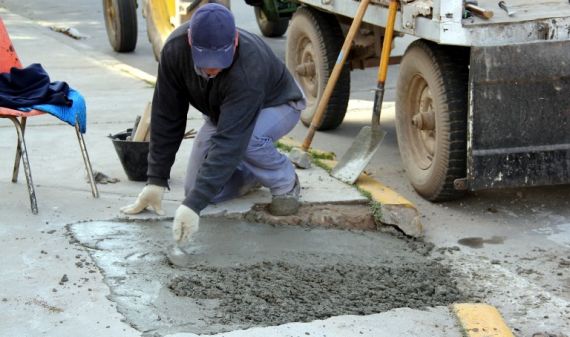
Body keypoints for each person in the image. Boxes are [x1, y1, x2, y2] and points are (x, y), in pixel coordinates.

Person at [120, 3, 306, 245]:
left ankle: (285, 181)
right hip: (226, 114)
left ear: (235, 41)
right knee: (195, 190)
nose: (211, 67)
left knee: (247, 141)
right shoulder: (174, 51)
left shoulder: (249, 65)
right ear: (190, 41)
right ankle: (252, 175)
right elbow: (167, 117)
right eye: (204, 58)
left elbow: (230, 140)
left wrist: (193, 208)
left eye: (220, 59)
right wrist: (156, 180)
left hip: (278, 105)